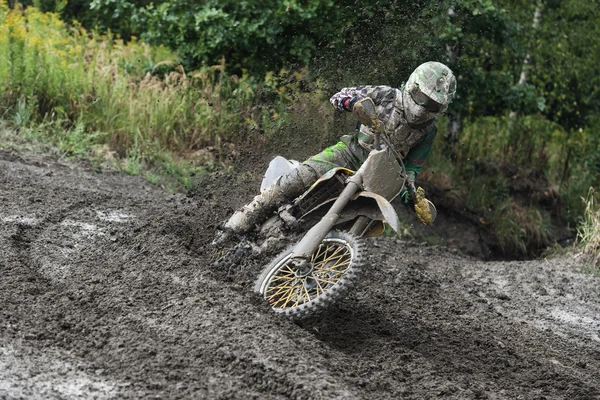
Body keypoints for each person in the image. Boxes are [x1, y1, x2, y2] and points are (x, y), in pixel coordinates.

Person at [218, 61, 457, 239]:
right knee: (296, 181)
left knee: (364, 224)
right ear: (411, 86)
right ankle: (235, 225)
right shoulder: (386, 96)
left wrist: (414, 197)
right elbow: (340, 95)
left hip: (378, 178)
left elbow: (411, 168)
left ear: (442, 107)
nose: (423, 108)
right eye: (421, 98)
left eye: (433, 104)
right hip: (349, 154)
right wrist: (354, 105)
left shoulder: (428, 131)